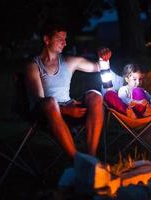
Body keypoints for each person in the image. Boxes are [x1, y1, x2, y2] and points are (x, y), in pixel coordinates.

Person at [25, 22, 112, 158]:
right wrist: (65, 109)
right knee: (50, 102)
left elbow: (98, 67)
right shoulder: (34, 65)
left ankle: (91, 158)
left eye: (65, 39)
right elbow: (39, 101)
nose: (64, 43)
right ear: (46, 39)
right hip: (45, 115)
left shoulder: (68, 61)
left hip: (68, 107)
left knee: (95, 95)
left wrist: (103, 56)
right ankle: (76, 160)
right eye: (60, 38)